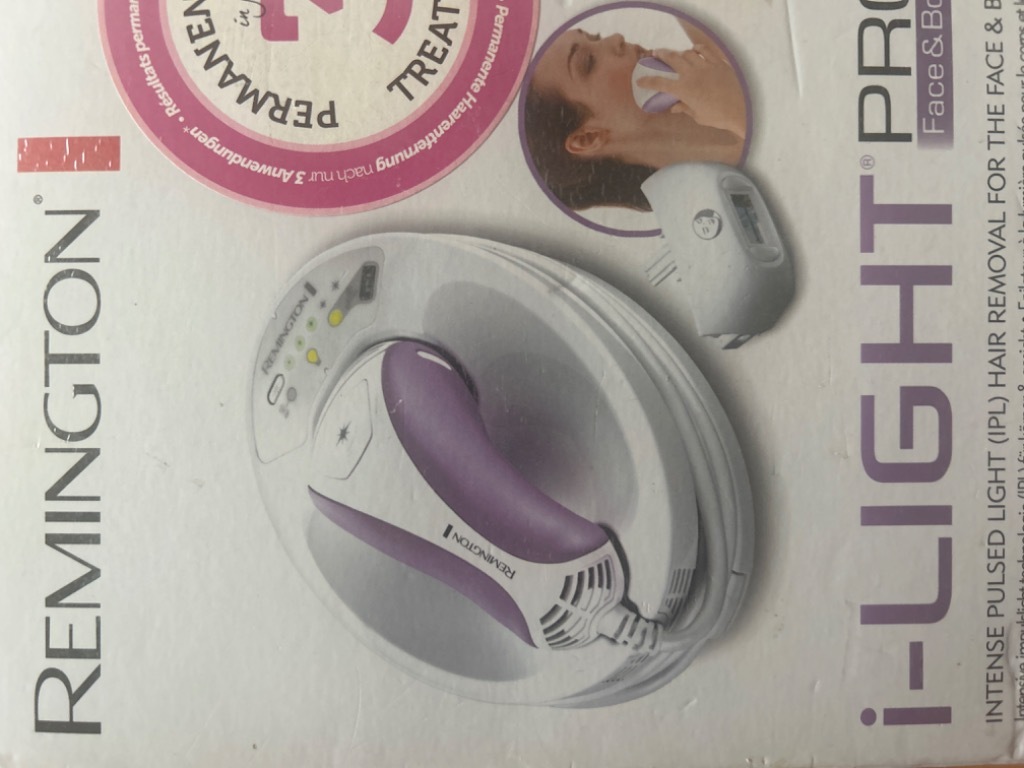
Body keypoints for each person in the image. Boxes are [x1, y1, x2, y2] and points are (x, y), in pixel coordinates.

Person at [524, 20, 747, 212]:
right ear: (588, 138)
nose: (616, 38)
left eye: (596, 37)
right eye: (589, 61)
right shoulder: (714, 208)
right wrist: (737, 110)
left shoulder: (716, 45)